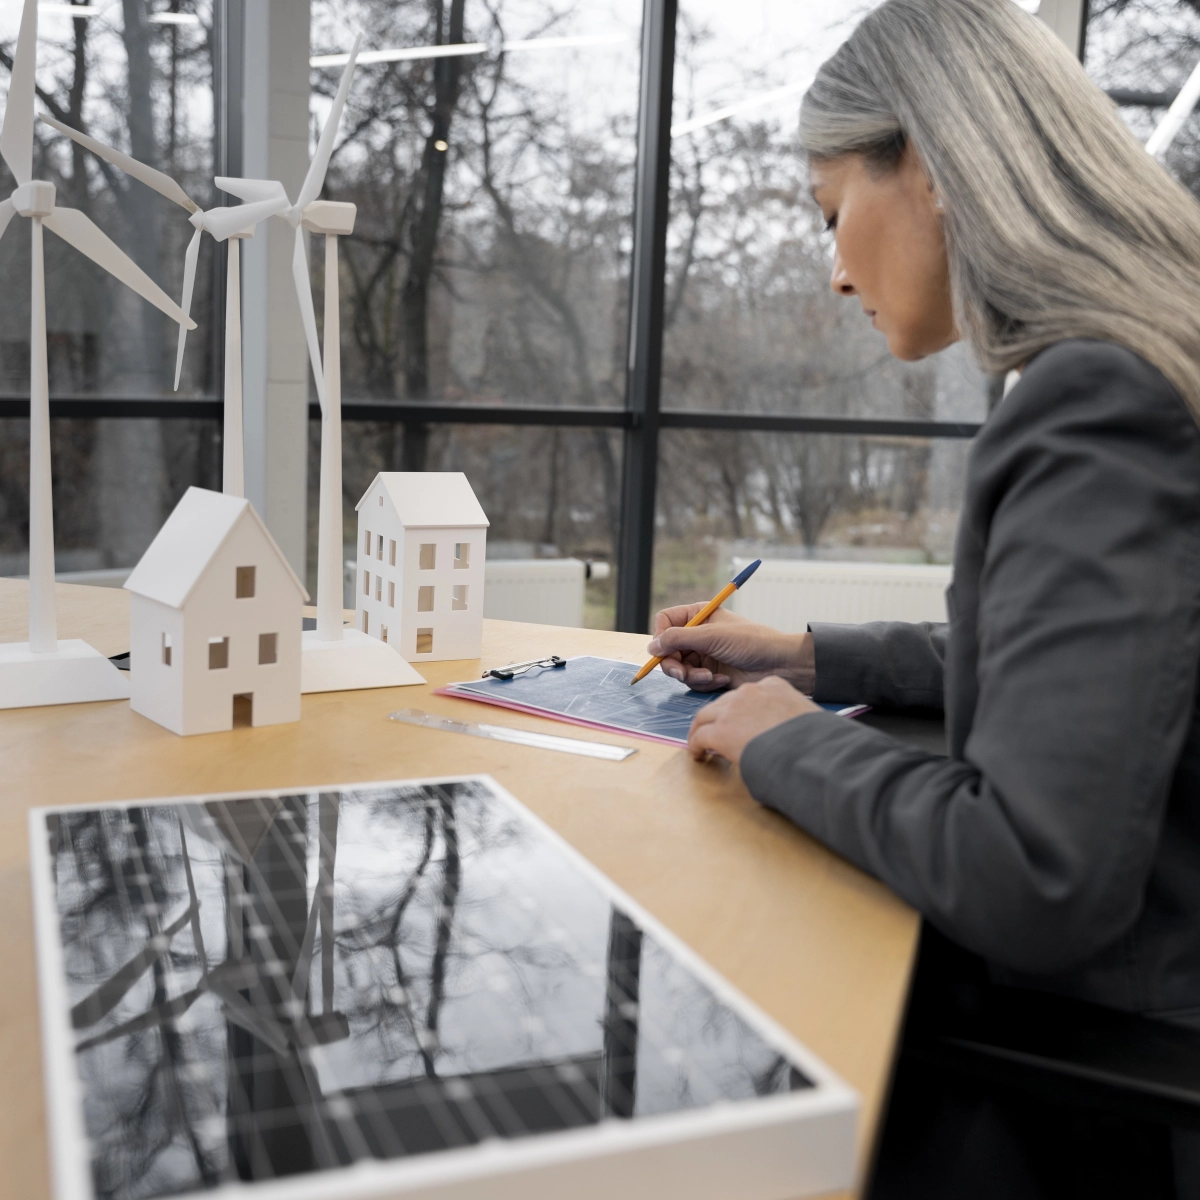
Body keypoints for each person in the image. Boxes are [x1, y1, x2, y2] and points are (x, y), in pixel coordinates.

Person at [648, 0, 1200, 1195]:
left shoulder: (1099, 400)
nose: (837, 270)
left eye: (833, 213)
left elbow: (1034, 875)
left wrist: (791, 743)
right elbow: (1079, 675)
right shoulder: (1143, 368)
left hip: (1103, 1092)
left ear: (936, 166)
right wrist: (802, 659)